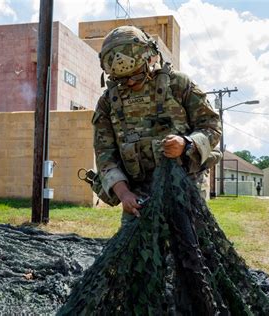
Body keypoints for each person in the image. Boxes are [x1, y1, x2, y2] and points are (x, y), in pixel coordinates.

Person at [93, 25, 222, 222]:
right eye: (122, 80)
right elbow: (105, 154)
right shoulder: (108, 103)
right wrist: (124, 194)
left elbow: (211, 126)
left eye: (135, 77)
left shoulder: (178, 84)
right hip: (138, 192)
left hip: (186, 184)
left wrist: (187, 144)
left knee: (187, 247)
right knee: (138, 250)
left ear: (149, 58)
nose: (130, 84)